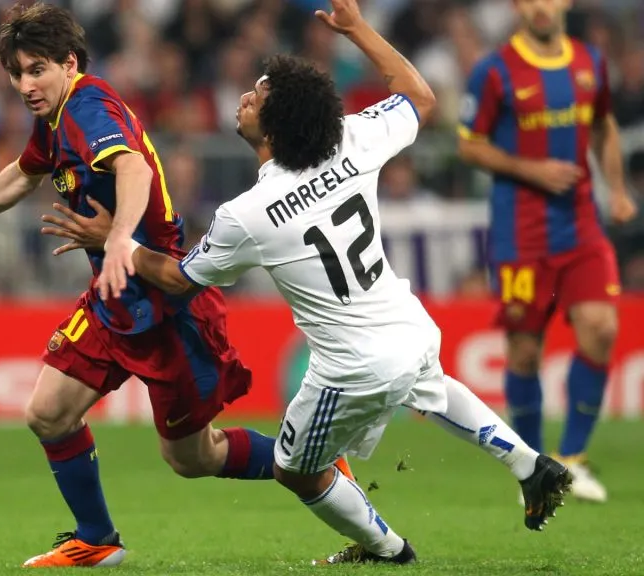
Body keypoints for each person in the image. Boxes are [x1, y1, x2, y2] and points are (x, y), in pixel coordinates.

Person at [40, 0, 573, 564]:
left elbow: (175, 278)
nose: (244, 98)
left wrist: (116, 241)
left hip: (352, 366)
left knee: (294, 468)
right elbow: (419, 97)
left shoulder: (249, 213)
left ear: (275, 127)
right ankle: (529, 464)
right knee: (429, 385)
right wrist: (359, 30)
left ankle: (387, 550)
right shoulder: (352, 137)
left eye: (257, 97)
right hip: (407, 325)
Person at [0, 2, 356, 567]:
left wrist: (119, 238)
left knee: (193, 458)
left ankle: (314, 463)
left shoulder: (87, 107)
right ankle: (97, 539)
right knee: (48, 412)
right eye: (17, 74)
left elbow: (134, 167)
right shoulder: (55, 114)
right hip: (112, 299)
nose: (25, 85)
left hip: (165, 304)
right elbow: (25, 172)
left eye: (37, 70)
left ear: (69, 64)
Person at [457, 0, 638, 503]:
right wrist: (529, 169)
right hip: (521, 232)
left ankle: (574, 458)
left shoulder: (589, 62)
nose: (541, 5)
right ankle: (533, 469)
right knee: (524, 351)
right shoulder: (495, 70)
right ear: (517, 5)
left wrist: (617, 190)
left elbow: (602, 126)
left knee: (602, 327)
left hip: (580, 224)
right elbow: (469, 144)